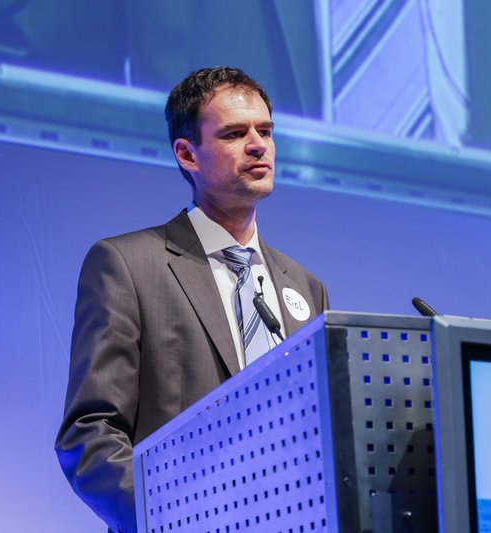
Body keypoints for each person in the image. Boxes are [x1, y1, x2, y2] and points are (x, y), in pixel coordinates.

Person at [55, 67, 328, 533]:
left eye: (265, 131)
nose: (258, 145)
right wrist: (170, 520)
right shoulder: (127, 265)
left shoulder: (305, 287)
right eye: (234, 133)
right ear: (187, 154)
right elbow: (91, 434)